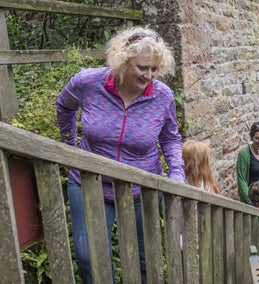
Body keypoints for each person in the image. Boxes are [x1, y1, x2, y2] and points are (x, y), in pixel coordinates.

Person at [57, 26, 185, 284]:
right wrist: (69, 145)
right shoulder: (88, 82)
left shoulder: (163, 96)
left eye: (154, 69)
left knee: (144, 258)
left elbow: (170, 137)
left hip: (141, 189)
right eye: (142, 67)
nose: (149, 75)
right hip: (89, 184)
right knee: (88, 256)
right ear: (122, 60)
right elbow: (64, 106)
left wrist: (177, 173)